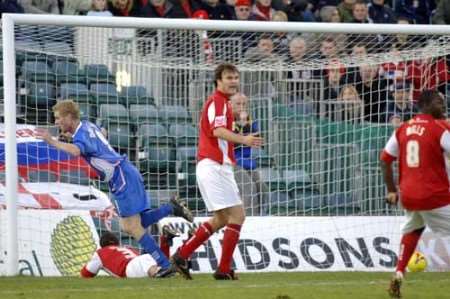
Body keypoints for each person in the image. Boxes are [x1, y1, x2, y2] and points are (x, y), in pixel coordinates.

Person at [36, 100, 193, 278]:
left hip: (121, 178)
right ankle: (171, 208)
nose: (56, 122)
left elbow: (76, 151)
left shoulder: (80, 136)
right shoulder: (88, 126)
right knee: (133, 224)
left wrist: (52, 141)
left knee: (132, 226)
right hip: (124, 172)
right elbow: (103, 132)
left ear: (69, 117)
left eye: (58, 118)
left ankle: (165, 264)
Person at [171, 63, 263, 280]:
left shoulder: (222, 103)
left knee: (221, 218)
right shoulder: (218, 102)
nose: (234, 81)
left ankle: (182, 255)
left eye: (236, 77)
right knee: (238, 215)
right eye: (229, 77)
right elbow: (217, 130)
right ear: (218, 81)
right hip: (214, 166)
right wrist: (244, 139)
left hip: (213, 166)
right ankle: (222, 269)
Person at [380, 90, 450, 298]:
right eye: (440, 102)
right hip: (434, 196)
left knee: (413, 228)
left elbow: (384, 160)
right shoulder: (439, 129)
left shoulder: (402, 128)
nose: (444, 105)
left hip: (409, 196)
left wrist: (392, 190)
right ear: (427, 104)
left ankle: (399, 274)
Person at [231, 92, 269, 215]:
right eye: (238, 103)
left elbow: (258, 140)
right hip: (231, 162)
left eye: (244, 104)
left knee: (263, 190)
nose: (241, 107)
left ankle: (261, 216)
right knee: (249, 188)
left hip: (247, 162)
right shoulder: (226, 120)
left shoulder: (250, 120)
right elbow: (231, 142)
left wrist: (245, 126)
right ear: (230, 104)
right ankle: (247, 221)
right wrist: (243, 131)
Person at [81, 230, 174, 278]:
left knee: (150, 266)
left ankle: (158, 272)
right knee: (158, 261)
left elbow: (86, 274)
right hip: (141, 259)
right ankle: (165, 242)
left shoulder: (101, 252)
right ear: (116, 242)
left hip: (130, 267)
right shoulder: (126, 248)